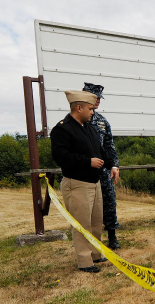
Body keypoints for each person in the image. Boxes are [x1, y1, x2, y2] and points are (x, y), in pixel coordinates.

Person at [51, 91, 117, 273]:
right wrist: (87, 162)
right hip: (77, 183)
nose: (92, 112)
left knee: (96, 222)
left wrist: (112, 165)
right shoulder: (62, 129)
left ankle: (95, 254)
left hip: (94, 182)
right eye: (89, 108)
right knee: (82, 224)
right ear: (78, 108)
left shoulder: (88, 127)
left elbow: (101, 150)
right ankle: (84, 261)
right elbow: (61, 157)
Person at [83, 82, 121, 250]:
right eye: (95, 97)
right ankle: (88, 241)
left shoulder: (102, 122)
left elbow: (109, 147)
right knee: (87, 209)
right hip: (83, 172)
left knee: (109, 203)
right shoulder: (76, 121)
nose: (98, 101)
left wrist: (114, 166)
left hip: (103, 172)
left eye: (99, 98)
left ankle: (112, 237)